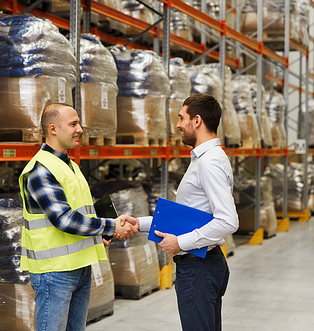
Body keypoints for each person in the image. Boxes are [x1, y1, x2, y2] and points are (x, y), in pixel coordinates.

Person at [124, 93, 239, 331]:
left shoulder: (209, 163)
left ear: (196, 121)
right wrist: (141, 223)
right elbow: (188, 216)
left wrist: (181, 243)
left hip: (199, 268)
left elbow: (228, 221)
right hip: (203, 264)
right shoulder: (206, 159)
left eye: (181, 118)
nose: (177, 125)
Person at [19, 103, 138, 331]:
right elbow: (64, 219)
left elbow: (83, 211)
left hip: (80, 265)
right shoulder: (41, 170)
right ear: (53, 129)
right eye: (73, 124)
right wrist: (112, 226)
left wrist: (101, 233)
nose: (80, 129)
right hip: (55, 272)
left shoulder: (70, 165)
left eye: (79, 124)